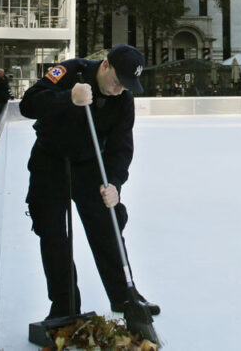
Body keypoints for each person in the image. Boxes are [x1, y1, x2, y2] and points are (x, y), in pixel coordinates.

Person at [19, 44, 159, 322]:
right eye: (118, 82)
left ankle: (124, 297)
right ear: (106, 66)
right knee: (53, 235)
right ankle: (64, 304)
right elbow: (28, 104)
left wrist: (115, 184)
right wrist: (67, 96)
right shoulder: (71, 71)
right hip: (50, 161)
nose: (120, 90)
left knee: (107, 227)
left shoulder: (123, 99)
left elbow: (121, 147)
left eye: (127, 86)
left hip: (90, 166)